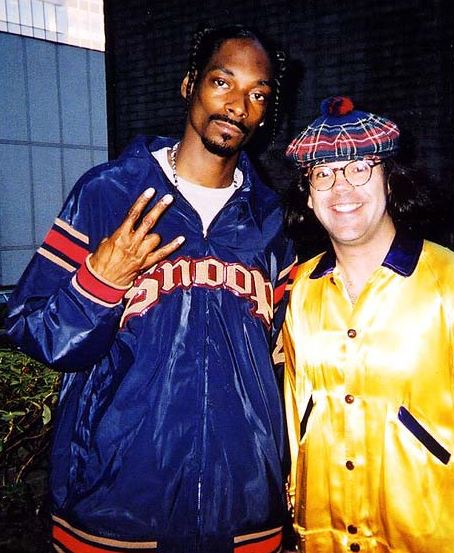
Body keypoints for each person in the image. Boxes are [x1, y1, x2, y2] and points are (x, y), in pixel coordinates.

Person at [6, 24, 296, 553]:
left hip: (245, 511)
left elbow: (280, 361)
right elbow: (32, 327)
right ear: (189, 85)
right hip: (116, 506)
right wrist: (98, 283)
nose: (238, 105)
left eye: (258, 94)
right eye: (222, 82)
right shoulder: (109, 192)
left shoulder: (269, 221)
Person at [282, 96, 454, 552]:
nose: (341, 187)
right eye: (322, 173)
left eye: (359, 167)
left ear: (389, 178)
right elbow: (294, 414)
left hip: (432, 538)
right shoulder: (299, 290)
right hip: (323, 538)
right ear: (308, 194)